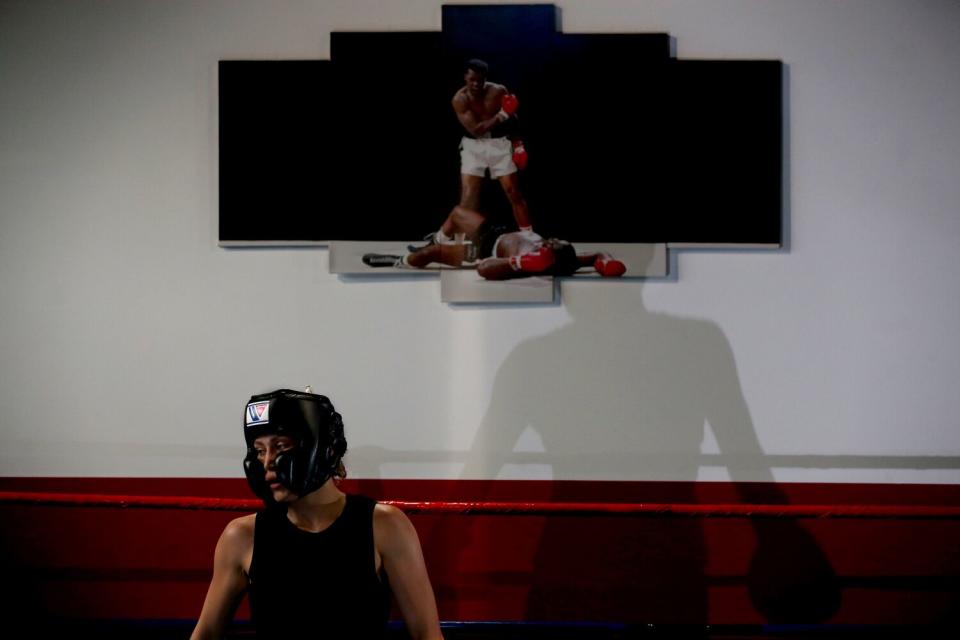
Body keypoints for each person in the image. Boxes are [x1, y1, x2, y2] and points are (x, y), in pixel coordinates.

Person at [191, 388, 443, 640]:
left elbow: (426, 634)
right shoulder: (243, 536)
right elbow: (207, 632)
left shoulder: (384, 525)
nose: (267, 461)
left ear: (326, 451)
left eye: (280, 446)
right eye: (258, 450)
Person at [364, 205, 626, 280]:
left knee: (430, 254)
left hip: (482, 250)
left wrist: (521, 261)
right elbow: (595, 255)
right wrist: (607, 263)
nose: (551, 238)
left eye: (551, 243)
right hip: (496, 232)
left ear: (548, 253)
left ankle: (400, 261)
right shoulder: (568, 257)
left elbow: (485, 268)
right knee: (459, 213)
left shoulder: (533, 263)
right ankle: (436, 236)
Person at [446, 59, 531, 236]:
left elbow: (512, 119)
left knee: (513, 192)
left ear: (486, 78)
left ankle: (529, 236)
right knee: (468, 198)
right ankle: (461, 242)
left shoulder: (498, 91)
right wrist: (502, 115)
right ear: (465, 78)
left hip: (499, 144)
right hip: (473, 147)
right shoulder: (459, 99)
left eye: (480, 80)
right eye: (472, 80)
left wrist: (518, 145)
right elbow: (477, 130)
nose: (476, 84)